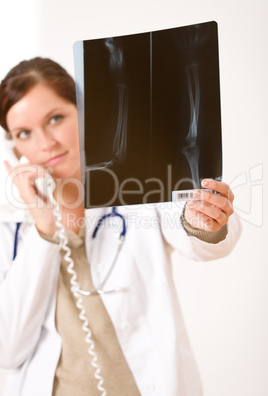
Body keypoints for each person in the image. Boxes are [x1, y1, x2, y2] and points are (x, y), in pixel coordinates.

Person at [0, 57, 241, 396]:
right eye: (24, 133)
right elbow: (8, 350)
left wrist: (204, 219)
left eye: (55, 118)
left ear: (84, 112)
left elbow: (199, 239)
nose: (45, 143)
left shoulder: (139, 186)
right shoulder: (11, 227)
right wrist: (43, 228)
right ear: (15, 148)